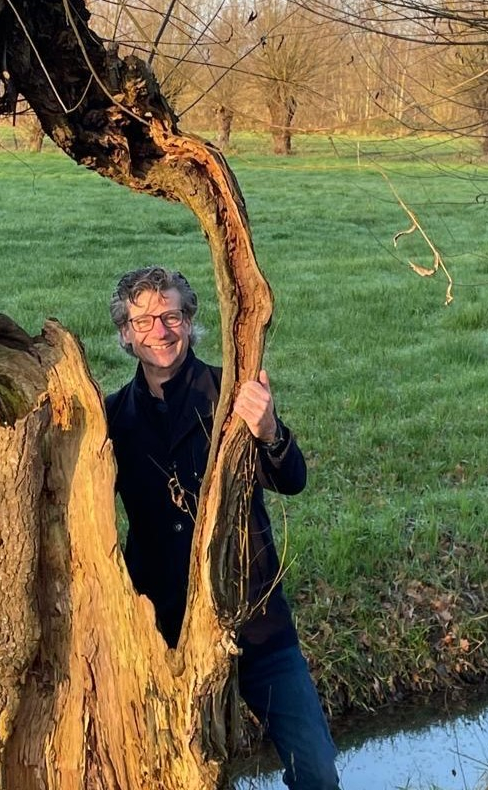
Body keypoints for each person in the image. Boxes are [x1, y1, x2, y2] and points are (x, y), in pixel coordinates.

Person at [105, 266, 341, 790]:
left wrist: (269, 429)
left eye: (170, 316)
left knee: (318, 774)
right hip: (164, 630)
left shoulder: (229, 391)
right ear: (125, 334)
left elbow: (293, 479)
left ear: (189, 322)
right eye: (142, 321)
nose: (159, 331)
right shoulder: (113, 418)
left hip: (256, 619)